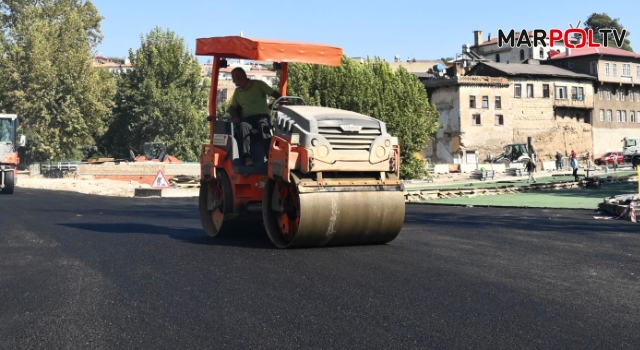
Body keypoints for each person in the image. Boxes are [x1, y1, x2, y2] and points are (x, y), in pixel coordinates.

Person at [228, 67, 282, 166]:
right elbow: (232, 108)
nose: (233, 80)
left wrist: (286, 102)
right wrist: (235, 116)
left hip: (262, 116)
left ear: (238, 76)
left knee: (263, 125)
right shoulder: (237, 92)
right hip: (247, 119)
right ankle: (247, 157)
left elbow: (275, 94)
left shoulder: (258, 84)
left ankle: (270, 156)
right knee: (243, 125)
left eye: (233, 78)